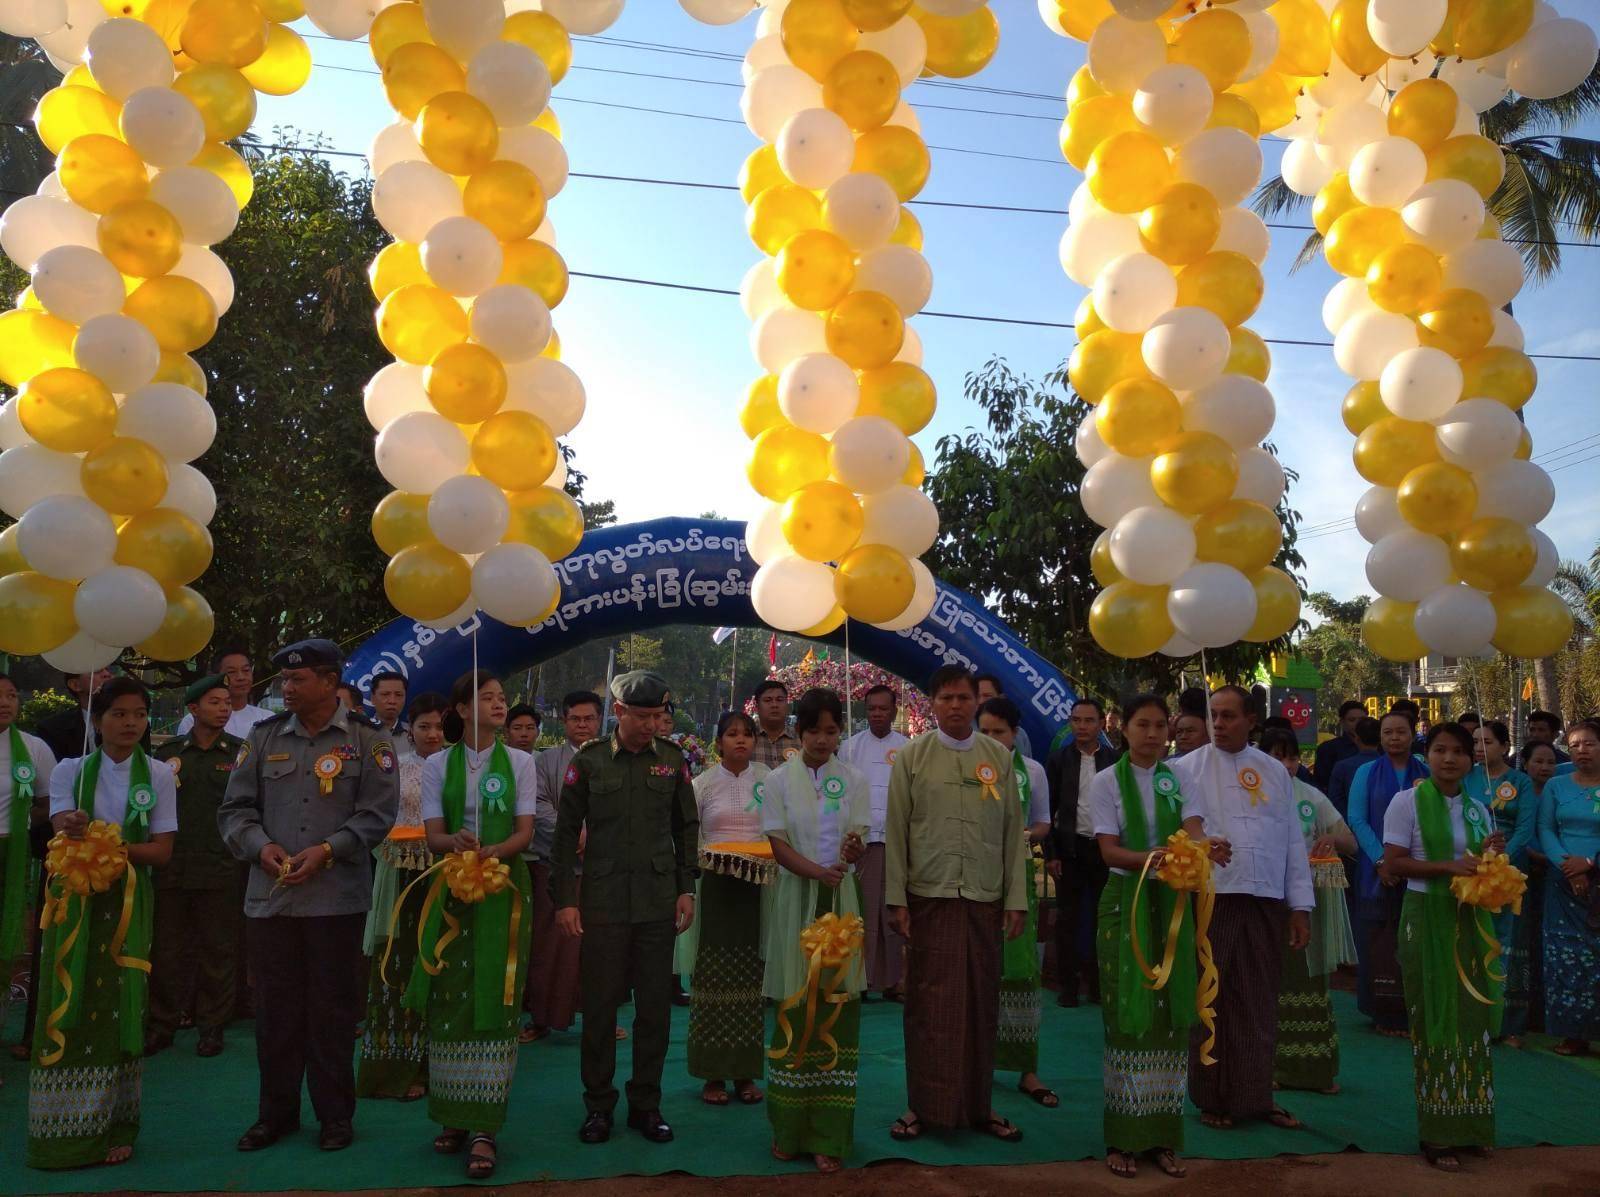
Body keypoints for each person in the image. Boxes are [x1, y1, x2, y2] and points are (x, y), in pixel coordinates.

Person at [218, 638, 399, 1154]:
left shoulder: (368, 741)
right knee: (274, 1014)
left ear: (328, 681)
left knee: (332, 1013)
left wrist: (327, 849)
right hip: (270, 901)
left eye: (298, 680)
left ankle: (335, 1118)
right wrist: (262, 848)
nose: (287, 689)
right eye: (284, 681)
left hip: (336, 901)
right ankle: (274, 1116)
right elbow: (234, 811)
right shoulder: (263, 736)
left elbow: (377, 815)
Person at [29, 677, 175, 1169]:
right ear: (97, 719)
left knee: (119, 1007)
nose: (130, 723)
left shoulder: (157, 774)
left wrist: (111, 850)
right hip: (74, 900)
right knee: (67, 1002)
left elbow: (161, 851)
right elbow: (60, 830)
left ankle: (115, 1124)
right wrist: (72, 828)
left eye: (138, 714)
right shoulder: (70, 769)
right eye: (119, 714)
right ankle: (62, 1128)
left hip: (128, 904)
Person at [551, 671, 697, 1146]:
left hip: (657, 903)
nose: (652, 725)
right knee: (599, 1011)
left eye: (658, 716)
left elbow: (685, 828)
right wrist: (565, 901)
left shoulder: (673, 761)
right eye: (642, 716)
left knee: (654, 1010)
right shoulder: (590, 763)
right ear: (619, 712)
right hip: (603, 903)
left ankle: (646, 1106)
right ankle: (598, 1108)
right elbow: (565, 835)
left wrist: (686, 888)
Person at [885, 665, 1029, 1146]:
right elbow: (897, 832)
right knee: (930, 1005)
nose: (955, 706)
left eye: (963, 698)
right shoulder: (912, 757)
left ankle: (978, 1107)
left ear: (976, 702)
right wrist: (896, 899)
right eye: (945, 697)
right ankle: (921, 1107)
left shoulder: (998, 758)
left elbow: (1013, 836)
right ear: (931, 702)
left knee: (981, 1003)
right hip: (931, 896)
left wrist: (1015, 900)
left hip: (985, 898)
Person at [1171, 685, 1312, 1131]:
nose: (1219, 724)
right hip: (1214, 897)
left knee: (1258, 999)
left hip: (1266, 897)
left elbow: (1292, 838)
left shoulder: (1274, 771)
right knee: (1212, 1000)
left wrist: (1299, 905)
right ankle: (1212, 1098)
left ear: (1252, 720)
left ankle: (1256, 1097)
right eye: (1214, 715)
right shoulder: (1185, 769)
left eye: (1229, 716)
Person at [412, 671, 535, 1180]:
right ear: (461, 710)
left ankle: (485, 1125)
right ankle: (453, 1116)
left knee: (496, 993)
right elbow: (432, 835)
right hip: (452, 890)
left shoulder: (522, 763)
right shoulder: (439, 764)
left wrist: (494, 853)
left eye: (502, 697)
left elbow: (524, 832)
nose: (499, 704)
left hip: (503, 890)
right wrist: (458, 846)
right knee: (451, 995)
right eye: (486, 698)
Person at [1089, 694, 1214, 1181]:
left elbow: (1194, 830)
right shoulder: (1105, 781)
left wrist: (1207, 849)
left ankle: (1163, 1137)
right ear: (1123, 728)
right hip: (1126, 905)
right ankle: (1123, 1137)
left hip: (1173, 907)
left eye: (1161, 725)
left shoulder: (1181, 777)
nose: (1153, 733)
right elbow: (1109, 852)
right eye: (1143, 724)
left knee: (1169, 1017)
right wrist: (1160, 860)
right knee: (1128, 1017)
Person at [1382, 722, 1506, 1172]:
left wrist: (1492, 858)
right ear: (1426, 754)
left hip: (1469, 920)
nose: (1449, 759)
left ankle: (1471, 1127)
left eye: (1458, 751)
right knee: (1435, 1016)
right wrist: (1451, 867)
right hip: (1425, 915)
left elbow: (1483, 870)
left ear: (1471, 761)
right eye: (1440, 750)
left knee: (1471, 1018)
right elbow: (1393, 862)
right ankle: (1437, 1135)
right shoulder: (1406, 802)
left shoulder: (1478, 808)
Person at [762, 688, 870, 1173]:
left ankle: (829, 1133)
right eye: (814, 731)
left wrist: (850, 852)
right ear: (799, 732)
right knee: (794, 1003)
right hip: (795, 902)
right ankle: (788, 1128)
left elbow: (860, 839)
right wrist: (814, 872)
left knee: (833, 1005)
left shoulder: (854, 779)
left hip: (840, 903)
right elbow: (777, 843)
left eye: (832, 731)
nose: (823, 740)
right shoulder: (779, 780)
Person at [148, 675, 247, 1058]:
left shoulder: (240, 752)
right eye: (214, 702)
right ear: (193, 709)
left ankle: (212, 1027)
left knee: (218, 950)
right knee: (168, 951)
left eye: (227, 702)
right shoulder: (168, 754)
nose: (224, 708)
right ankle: (162, 1024)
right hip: (172, 865)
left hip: (222, 866)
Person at [357, 692, 447, 1101]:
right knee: (398, 965)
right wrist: (398, 852)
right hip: (400, 881)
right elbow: (374, 820)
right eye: (424, 726)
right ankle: (396, 1068)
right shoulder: (393, 769)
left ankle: (442, 1069)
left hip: (450, 878)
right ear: (410, 729)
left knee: (442, 965)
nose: (433, 734)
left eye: (441, 726)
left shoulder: (459, 768)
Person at [1260, 727, 1356, 1096]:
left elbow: (1350, 840)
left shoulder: (1310, 797)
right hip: (1262, 901)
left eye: (1292, 757)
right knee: (1265, 983)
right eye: (1276, 756)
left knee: (1306, 982)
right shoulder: (1247, 794)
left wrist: (1331, 839)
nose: (1285, 764)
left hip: (1303, 903)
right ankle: (1265, 1066)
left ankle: (1312, 1070)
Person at [682, 711, 769, 1108]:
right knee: (714, 976)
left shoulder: (769, 781)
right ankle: (713, 1074)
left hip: (760, 888)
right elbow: (690, 838)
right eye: (732, 734)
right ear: (718, 742)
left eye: (747, 734)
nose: (740, 741)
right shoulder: (701, 784)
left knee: (753, 978)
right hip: (716, 887)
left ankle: (746, 1074)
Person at [977, 697, 1056, 1109]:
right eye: (985, 732)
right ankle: (978, 1066)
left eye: (999, 732)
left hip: (1020, 877)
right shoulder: (966, 766)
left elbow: (1043, 822)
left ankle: (1027, 1068)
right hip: (974, 877)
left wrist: (1026, 837)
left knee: (1022, 969)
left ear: (1015, 735)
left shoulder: (1035, 771)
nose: (991, 739)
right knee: (979, 968)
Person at [524, 690, 602, 1044]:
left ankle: (600, 1018)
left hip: (603, 868)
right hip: (555, 865)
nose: (582, 725)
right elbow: (537, 804)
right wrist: (572, 833)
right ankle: (541, 1018)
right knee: (549, 944)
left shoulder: (612, 758)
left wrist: (596, 835)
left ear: (600, 721)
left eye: (589, 719)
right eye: (575, 719)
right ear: (564, 721)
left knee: (601, 945)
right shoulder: (544, 761)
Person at [1347, 709, 1426, 1036]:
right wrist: (1382, 861)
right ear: (1379, 737)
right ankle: (1381, 1011)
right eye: (1388, 732)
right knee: (1376, 939)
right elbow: (1357, 819)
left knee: (1413, 941)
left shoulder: (1426, 771)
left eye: (1401, 732)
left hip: (1418, 868)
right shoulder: (1366, 772)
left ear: (1412, 735)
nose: (1394, 738)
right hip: (1374, 868)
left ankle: (1412, 1010)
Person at [1464, 720, 1538, 1045]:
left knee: (1507, 943)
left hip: (1510, 872)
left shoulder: (1520, 781)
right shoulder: (1466, 778)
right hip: (1473, 868)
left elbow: (1525, 826)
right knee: (1473, 940)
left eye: (1488, 741)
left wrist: (1505, 855)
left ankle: (1506, 1024)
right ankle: (1473, 1017)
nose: (1480, 747)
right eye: (1476, 741)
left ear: (1504, 746)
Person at [1044, 697, 1118, 1007]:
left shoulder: (1115, 761)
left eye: (1088, 721)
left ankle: (1100, 985)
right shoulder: (1060, 760)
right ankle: (1068, 987)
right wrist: (1051, 854)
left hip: (1105, 849)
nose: (1082, 726)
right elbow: (1047, 810)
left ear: (1101, 724)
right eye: (1076, 720)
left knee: (1105, 919)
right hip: (1070, 849)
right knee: (1068, 920)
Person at [838, 683, 908, 1000]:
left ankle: (894, 980)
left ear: (894, 710)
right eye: (872, 709)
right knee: (862, 911)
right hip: (862, 843)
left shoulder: (909, 748)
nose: (877, 714)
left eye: (883, 708)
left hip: (896, 842)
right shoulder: (849, 748)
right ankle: (860, 979)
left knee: (893, 909)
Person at [1537, 719, 1600, 1057]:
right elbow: (1545, 829)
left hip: (1597, 885)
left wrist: (1590, 864)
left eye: (1589, 743)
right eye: (1574, 744)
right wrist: (1568, 866)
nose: (1580, 750)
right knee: (1565, 960)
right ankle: (1572, 1034)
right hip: (1562, 886)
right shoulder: (1556, 786)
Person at [0, 673, 56, 1050]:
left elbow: (49, 801)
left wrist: (19, 825)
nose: (6, 702)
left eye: (11, 695)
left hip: (10, 853)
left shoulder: (33, 748)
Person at [1519, 740, 1558, 1035]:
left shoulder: (1561, 793)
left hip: (1556, 875)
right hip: (1522, 874)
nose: (1544, 768)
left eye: (1550, 762)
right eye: (1538, 762)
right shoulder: (1517, 791)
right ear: (1525, 763)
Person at [176, 647, 273, 737]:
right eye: (231, 672)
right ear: (216, 676)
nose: (241, 677)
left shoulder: (268, 719)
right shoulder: (194, 720)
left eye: (246, 670)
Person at [1326, 717, 1382, 820]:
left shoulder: (1342, 767)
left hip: (1351, 826)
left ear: (1356, 738)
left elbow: (1336, 802)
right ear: (1381, 738)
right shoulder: (1391, 765)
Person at [976, 674, 1033, 759]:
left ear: (1001, 697)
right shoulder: (963, 730)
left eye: (987, 696)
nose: (981, 701)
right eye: (977, 696)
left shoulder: (1020, 735)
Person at [1313, 701, 1367, 792]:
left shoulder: (1379, 747)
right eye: (1352, 720)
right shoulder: (1328, 749)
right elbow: (1321, 784)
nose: (1358, 724)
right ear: (1342, 722)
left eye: (1362, 720)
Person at [752, 678, 800, 769]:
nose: (774, 705)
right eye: (768, 700)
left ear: (787, 704)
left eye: (779, 700)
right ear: (757, 706)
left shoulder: (801, 738)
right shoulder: (747, 738)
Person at [369, 671, 408, 739]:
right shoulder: (359, 733)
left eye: (398, 695)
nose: (392, 701)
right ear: (372, 698)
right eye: (385, 694)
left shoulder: (414, 735)